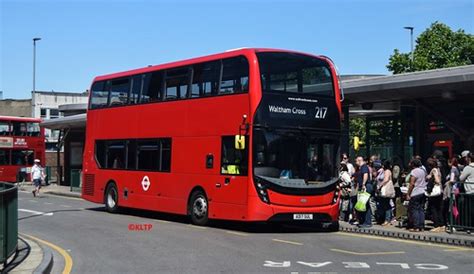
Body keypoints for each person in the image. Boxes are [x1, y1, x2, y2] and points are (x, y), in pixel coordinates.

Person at [406, 158, 427, 232]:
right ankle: (421, 226)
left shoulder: (414, 171)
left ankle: (416, 226)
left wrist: (408, 193)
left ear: (413, 164)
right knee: (421, 209)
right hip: (423, 191)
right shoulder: (423, 171)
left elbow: (412, 183)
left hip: (416, 192)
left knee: (414, 209)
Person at [426, 158, 443, 232]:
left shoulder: (434, 170)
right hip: (440, 191)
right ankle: (441, 225)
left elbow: (437, 180)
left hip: (434, 192)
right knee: (439, 208)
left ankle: (436, 225)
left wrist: (429, 177)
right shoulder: (438, 169)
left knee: (433, 208)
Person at [355, 156, 372, 228]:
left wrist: (363, 184)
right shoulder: (361, 168)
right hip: (363, 186)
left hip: (365, 186)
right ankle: (363, 221)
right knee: (363, 204)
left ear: (359, 161)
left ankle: (367, 222)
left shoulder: (364, 167)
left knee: (365, 204)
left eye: (356, 161)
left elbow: (365, 175)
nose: (356, 163)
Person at [443, 157, 460, 229]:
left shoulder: (453, 169)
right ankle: (454, 223)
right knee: (454, 206)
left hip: (452, 190)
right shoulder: (456, 168)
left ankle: (452, 224)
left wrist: (447, 182)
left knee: (451, 207)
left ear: (451, 162)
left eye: (448, 162)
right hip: (456, 189)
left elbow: (452, 180)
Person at [377, 160, 395, 226]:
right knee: (383, 204)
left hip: (385, 189)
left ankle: (387, 220)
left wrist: (380, 185)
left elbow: (386, 179)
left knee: (386, 205)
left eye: (382, 164)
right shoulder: (382, 171)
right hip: (382, 190)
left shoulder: (387, 171)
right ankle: (386, 219)